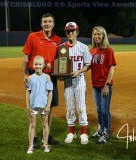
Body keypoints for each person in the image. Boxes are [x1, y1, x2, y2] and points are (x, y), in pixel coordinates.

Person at [22, 13, 61, 147]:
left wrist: (60, 72)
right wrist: (24, 74)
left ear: (53, 24)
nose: (47, 24)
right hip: (35, 75)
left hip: (50, 77)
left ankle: (47, 135)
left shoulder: (57, 39)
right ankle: (35, 137)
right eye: (45, 21)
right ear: (41, 24)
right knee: (33, 105)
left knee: (49, 107)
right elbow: (26, 58)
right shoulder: (33, 36)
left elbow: (59, 60)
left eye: (50, 21)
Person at [62, 22, 92, 145]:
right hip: (67, 81)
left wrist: (79, 71)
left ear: (77, 32)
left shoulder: (83, 47)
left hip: (80, 80)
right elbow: (60, 65)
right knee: (69, 107)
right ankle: (71, 132)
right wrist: (60, 74)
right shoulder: (62, 47)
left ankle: (84, 132)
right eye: (68, 31)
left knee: (81, 106)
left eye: (72, 31)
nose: (70, 33)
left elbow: (88, 64)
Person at [89, 26, 117, 144]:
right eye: (95, 34)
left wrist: (107, 85)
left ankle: (106, 133)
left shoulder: (108, 50)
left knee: (105, 110)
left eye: (99, 34)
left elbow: (112, 69)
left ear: (103, 36)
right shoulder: (91, 51)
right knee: (99, 109)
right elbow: (87, 66)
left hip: (104, 85)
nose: (96, 36)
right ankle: (100, 129)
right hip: (95, 85)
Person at [26, 56, 53, 154]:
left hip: (43, 105)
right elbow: (28, 92)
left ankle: (45, 144)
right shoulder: (30, 78)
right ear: (33, 65)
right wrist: (28, 106)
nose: (37, 66)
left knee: (45, 125)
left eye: (40, 64)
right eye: (36, 64)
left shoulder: (47, 77)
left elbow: (50, 92)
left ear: (43, 65)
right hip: (33, 105)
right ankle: (31, 145)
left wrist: (48, 105)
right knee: (32, 125)